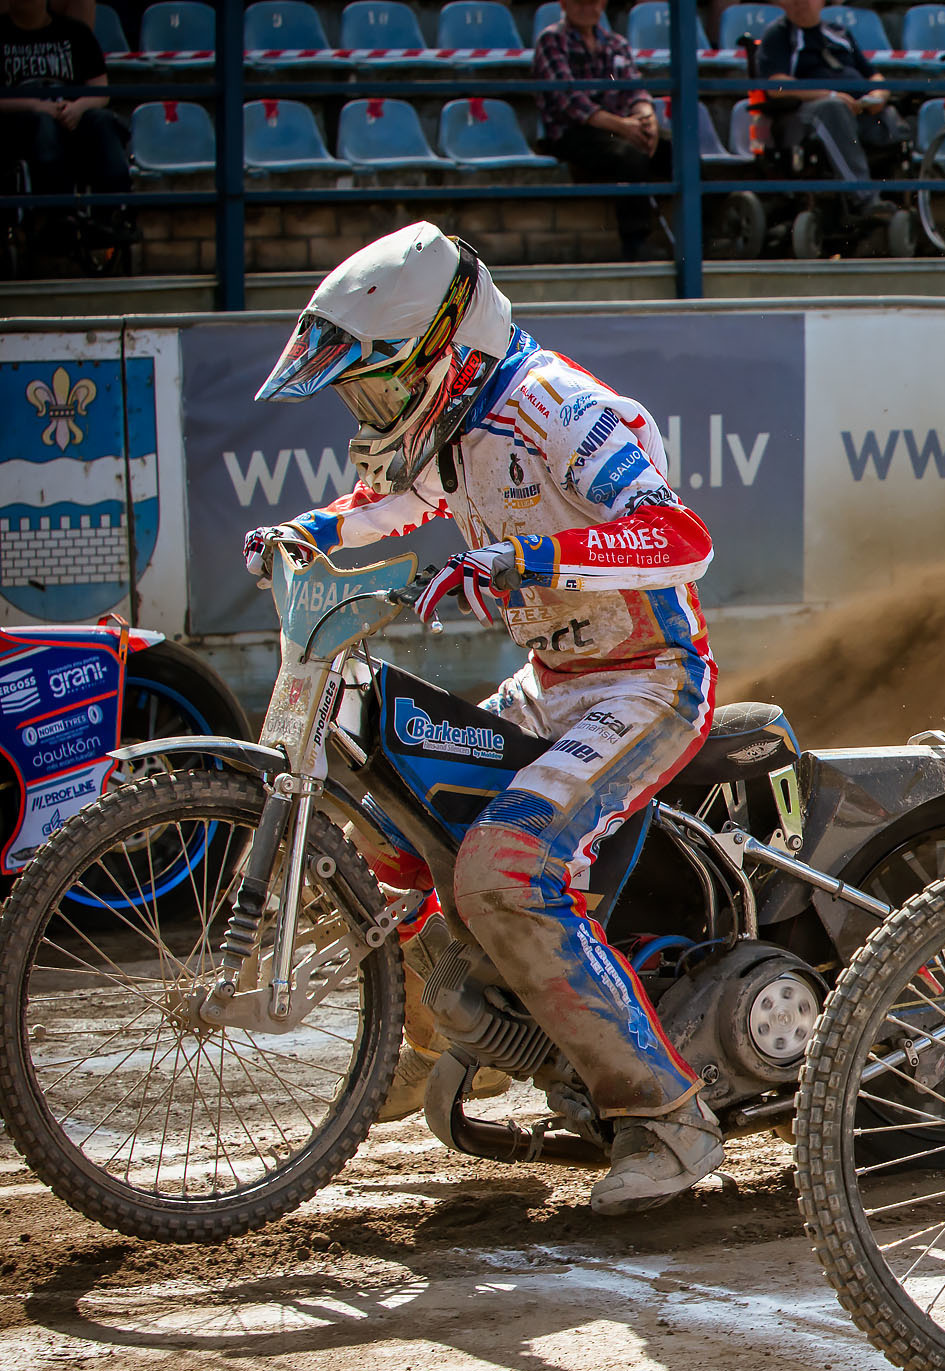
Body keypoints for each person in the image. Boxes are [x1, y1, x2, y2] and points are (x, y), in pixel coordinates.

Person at [243, 223, 726, 1217]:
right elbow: (390, 504)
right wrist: (302, 533)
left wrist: (532, 558)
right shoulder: (456, 424)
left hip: (648, 685)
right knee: (395, 823)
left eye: (377, 388)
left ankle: (669, 1118)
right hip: (548, 683)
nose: (372, 412)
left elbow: (679, 536)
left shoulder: (558, 409)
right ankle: (450, 1038)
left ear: (443, 351)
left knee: (507, 867)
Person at [532, 0, 666, 263]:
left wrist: (646, 118)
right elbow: (569, 101)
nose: (587, 7)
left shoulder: (616, 43)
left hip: (620, 126)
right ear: (564, 4)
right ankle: (636, 244)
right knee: (630, 155)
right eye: (579, 1)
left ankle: (710, 232)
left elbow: (635, 89)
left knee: (678, 147)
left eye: (593, 1)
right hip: (573, 132)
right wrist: (623, 126)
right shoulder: (551, 40)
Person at [754, 0, 898, 221]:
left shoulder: (839, 33)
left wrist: (879, 94)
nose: (801, 3)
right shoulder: (778, 35)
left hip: (858, 108)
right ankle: (865, 199)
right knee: (833, 109)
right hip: (804, 113)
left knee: (893, 116)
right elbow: (776, 85)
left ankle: (905, 198)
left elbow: (873, 74)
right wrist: (829, 94)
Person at [0, 0, 126, 201]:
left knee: (103, 121)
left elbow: (101, 90)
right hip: (20, 124)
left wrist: (78, 107)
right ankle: (56, 210)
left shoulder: (76, 31)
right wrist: (35, 106)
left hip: (70, 115)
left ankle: (115, 208)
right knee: (44, 124)